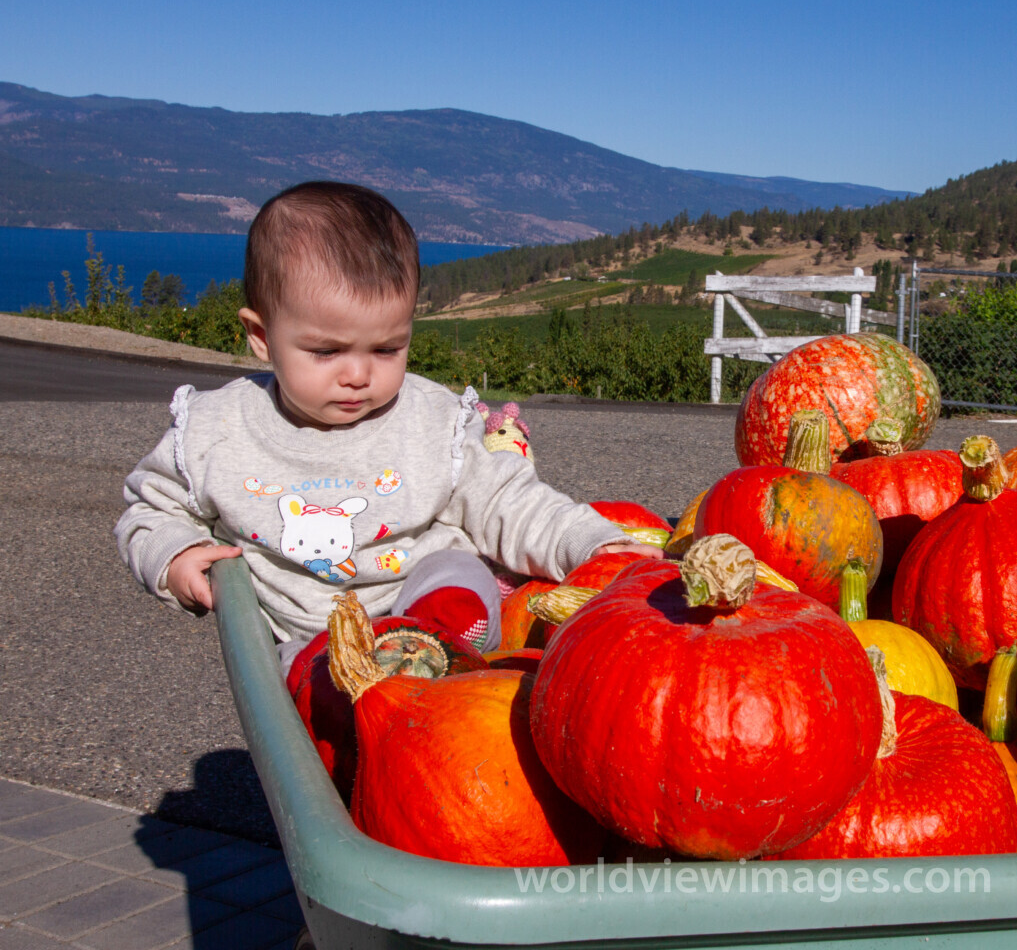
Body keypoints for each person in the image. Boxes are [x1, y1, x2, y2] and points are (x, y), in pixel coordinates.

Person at [115, 181, 657, 669]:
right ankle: (332, 692)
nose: (358, 375)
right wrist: (173, 556)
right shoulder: (217, 429)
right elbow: (150, 508)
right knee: (295, 680)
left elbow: (509, 501)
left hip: (416, 598)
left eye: (387, 348)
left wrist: (594, 545)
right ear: (261, 336)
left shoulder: (430, 419)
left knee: (456, 570)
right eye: (325, 352)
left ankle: (439, 638)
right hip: (306, 640)